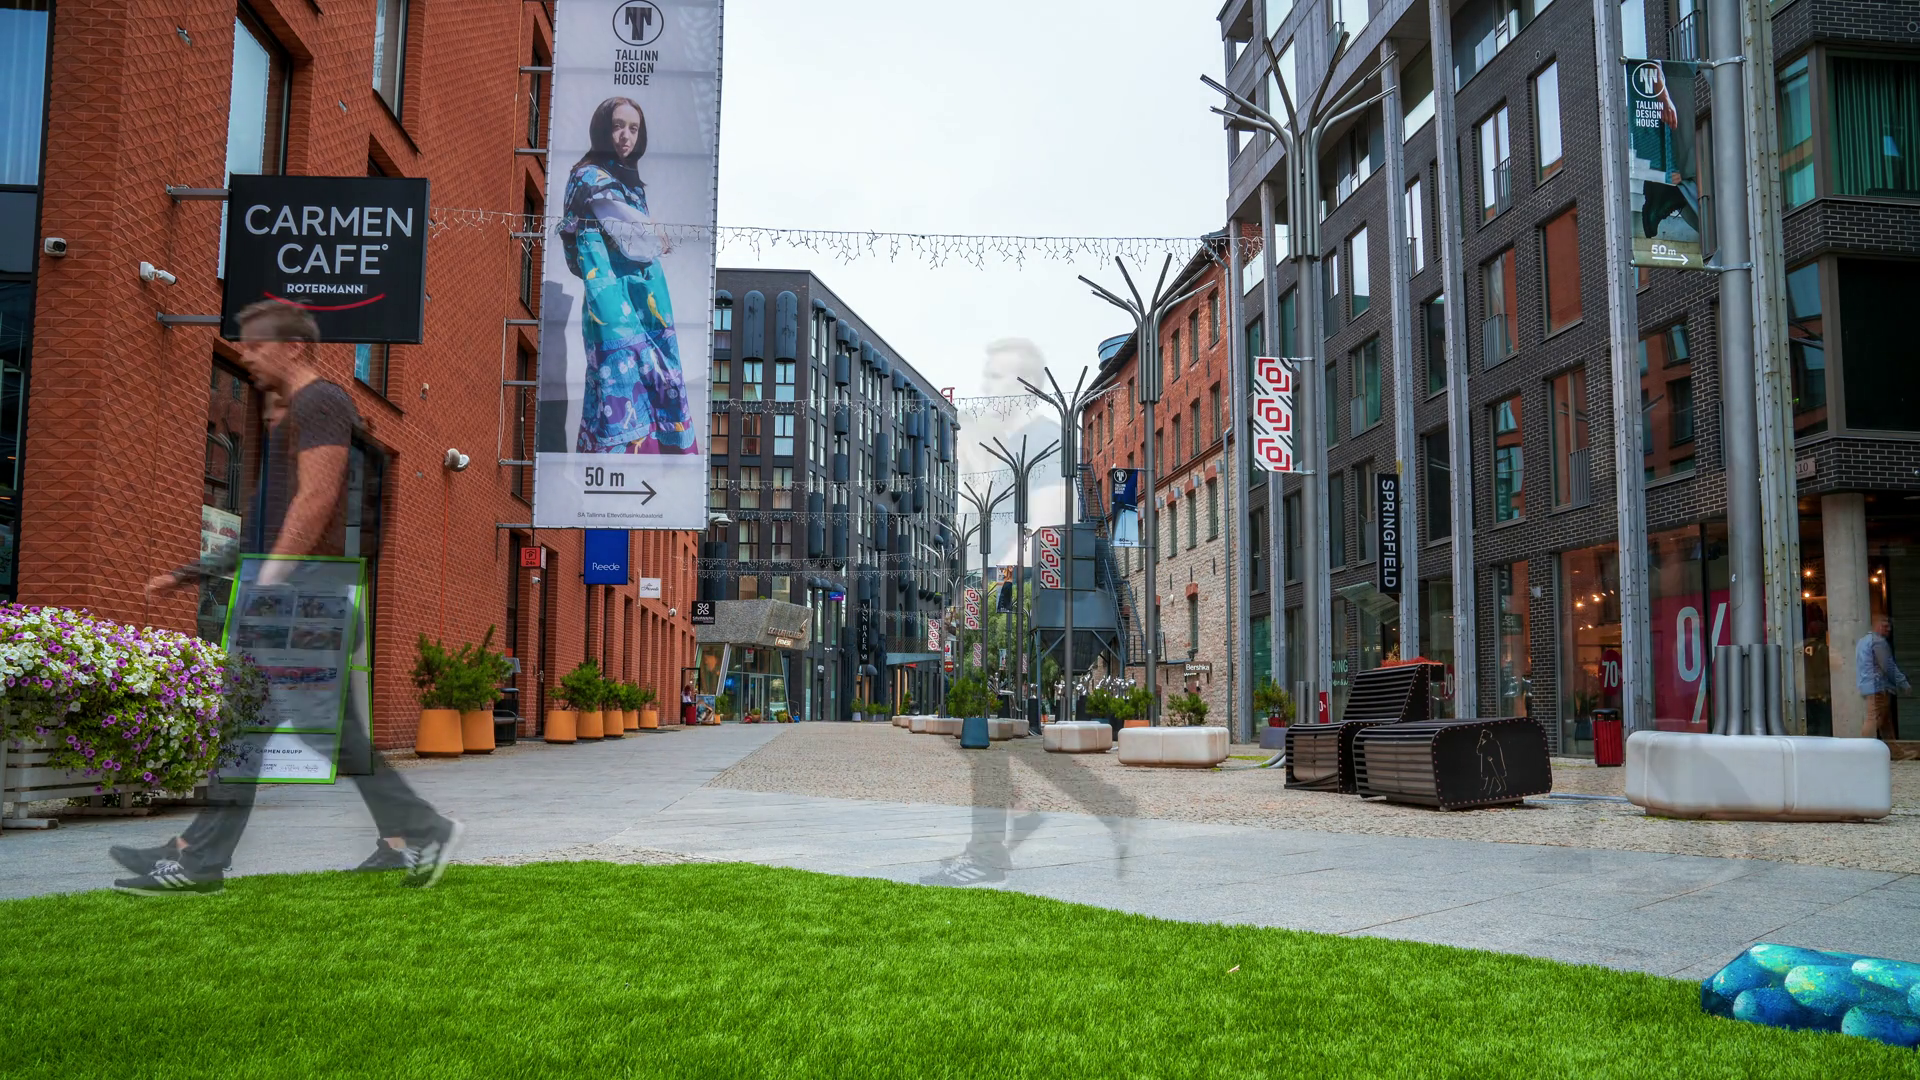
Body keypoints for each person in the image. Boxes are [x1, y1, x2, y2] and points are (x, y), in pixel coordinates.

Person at [114, 301, 463, 896]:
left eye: (256, 345)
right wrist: (189, 573)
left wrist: (273, 577)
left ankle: (415, 829)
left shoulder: (320, 401)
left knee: (297, 729)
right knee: (264, 729)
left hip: (304, 601)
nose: (245, 356)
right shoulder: (293, 417)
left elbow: (317, 497)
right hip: (297, 598)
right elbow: (261, 528)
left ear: (295, 346)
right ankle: (206, 854)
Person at [558, 96, 698, 456]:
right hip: (612, 294)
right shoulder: (590, 177)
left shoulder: (629, 183)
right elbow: (639, 237)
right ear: (602, 129)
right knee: (621, 372)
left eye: (633, 129)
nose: (625, 136)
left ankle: (656, 458)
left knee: (652, 372)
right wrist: (655, 233)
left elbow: (641, 240)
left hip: (643, 295)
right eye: (618, 126)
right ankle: (626, 463)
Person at [1857, 614, 1909, 741]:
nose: (1889, 629)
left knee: (1885, 721)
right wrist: (1903, 683)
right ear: (1877, 625)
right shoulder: (1878, 642)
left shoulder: (1863, 641)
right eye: (1885, 626)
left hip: (1869, 686)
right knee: (1874, 720)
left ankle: (1893, 749)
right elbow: (1888, 666)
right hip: (1879, 687)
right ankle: (1863, 747)